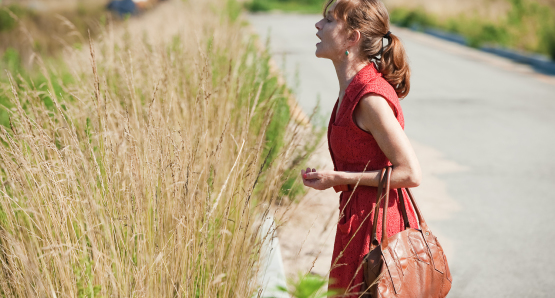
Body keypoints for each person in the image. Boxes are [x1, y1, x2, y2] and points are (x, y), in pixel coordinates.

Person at [300, 0, 422, 296]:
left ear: (352, 38)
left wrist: (340, 178)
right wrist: (336, 177)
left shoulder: (370, 98)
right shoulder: (351, 89)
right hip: (358, 223)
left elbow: (410, 174)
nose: (318, 26)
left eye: (329, 20)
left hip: (379, 231)